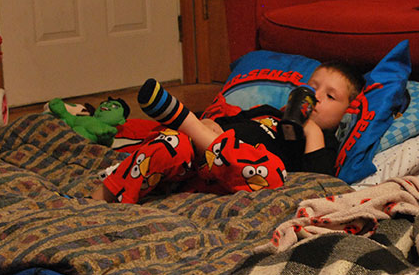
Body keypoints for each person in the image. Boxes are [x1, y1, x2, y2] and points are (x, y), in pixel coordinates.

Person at [93, 62, 364, 203]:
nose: (315, 97)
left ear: (346, 113)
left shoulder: (323, 141)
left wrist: (311, 129)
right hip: (198, 158)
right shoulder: (268, 111)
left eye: (330, 96)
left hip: (238, 176)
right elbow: (228, 123)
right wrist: (210, 126)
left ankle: (184, 120)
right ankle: (98, 198)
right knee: (172, 143)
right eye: (311, 87)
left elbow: (317, 183)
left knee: (269, 172)